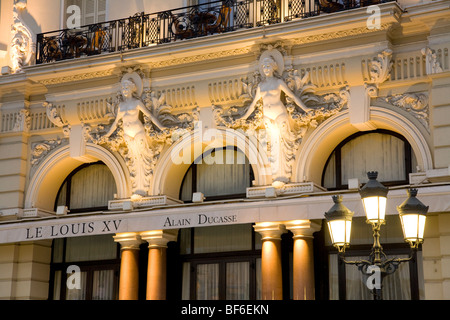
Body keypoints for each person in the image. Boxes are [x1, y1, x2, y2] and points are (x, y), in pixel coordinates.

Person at [241, 55, 311, 183]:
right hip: (267, 116)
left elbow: (292, 97)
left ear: (273, 67)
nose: (266, 69)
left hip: (279, 114)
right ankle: (275, 174)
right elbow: (254, 104)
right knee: (272, 145)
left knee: (282, 143)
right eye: (264, 67)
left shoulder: (278, 82)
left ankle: (283, 173)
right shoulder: (261, 86)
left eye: (268, 66)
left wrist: (305, 109)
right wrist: (244, 117)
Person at [104, 74, 163, 195]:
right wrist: (107, 134)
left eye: (127, 89)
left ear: (132, 89)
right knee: (133, 157)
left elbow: (149, 115)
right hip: (127, 135)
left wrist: (161, 127)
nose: (125, 91)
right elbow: (116, 123)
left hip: (138, 132)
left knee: (142, 156)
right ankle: (138, 185)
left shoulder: (137, 103)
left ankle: (142, 185)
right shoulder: (121, 106)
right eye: (123, 89)